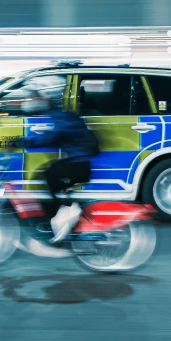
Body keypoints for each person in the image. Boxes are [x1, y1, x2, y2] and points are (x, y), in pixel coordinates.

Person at [16, 75, 100, 242]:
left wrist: (25, 141)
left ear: (46, 95)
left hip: (79, 164)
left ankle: (60, 216)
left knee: (49, 174)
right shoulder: (61, 113)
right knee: (50, 174)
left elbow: (55, 135)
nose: (32, 99)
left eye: (36, 95)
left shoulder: (61, 115)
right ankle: (64, 211)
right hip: (79, 163)